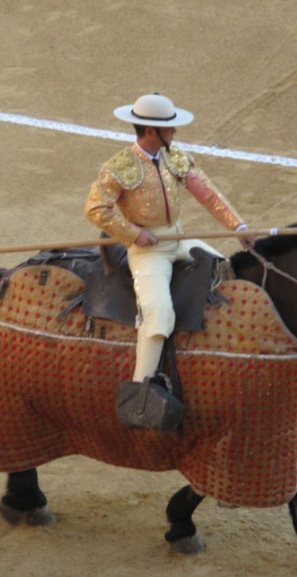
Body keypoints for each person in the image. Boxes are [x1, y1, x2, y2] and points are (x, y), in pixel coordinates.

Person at [84, 93, 254, 405]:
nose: (175, 132)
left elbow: (208, 194)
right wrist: (134, 233)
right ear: (151, 131)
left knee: (225, 267)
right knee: (159, 315)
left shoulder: (175, 157)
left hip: (179, 240)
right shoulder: (119, 167)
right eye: (170, 128)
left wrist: (238, 226)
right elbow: (95, 209)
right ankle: (141, 394)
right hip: (150, 251)